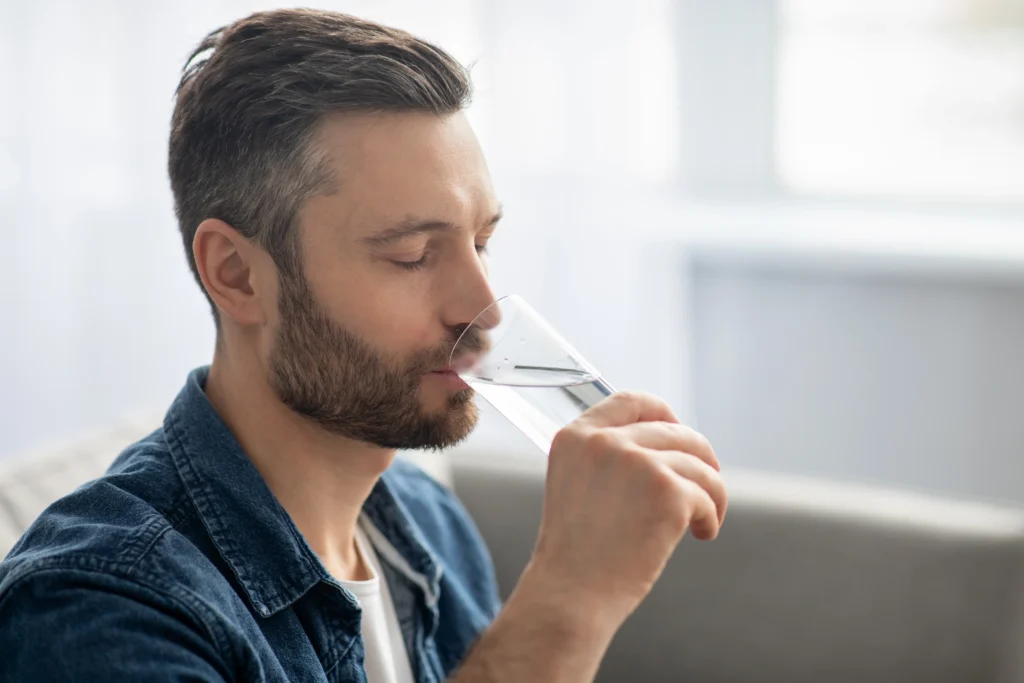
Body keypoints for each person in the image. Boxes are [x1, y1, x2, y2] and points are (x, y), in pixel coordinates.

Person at [0, 8, 727, 682]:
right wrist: (569, 603)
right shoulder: (98, 604)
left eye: (480, 242)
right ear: (237, 274)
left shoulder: (426, 523)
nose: (482, 310)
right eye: (412, 255)